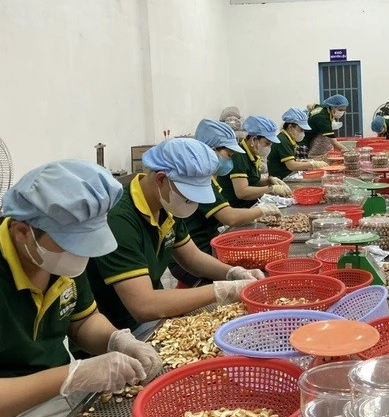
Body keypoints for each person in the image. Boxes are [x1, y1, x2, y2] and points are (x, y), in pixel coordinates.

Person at [0, 160, 161, 417]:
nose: (81, 255)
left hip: (59, 401)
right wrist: (72, 376)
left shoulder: (57, 259)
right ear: (22, 232)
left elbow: (82, 321)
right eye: (72, 244)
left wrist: (118, 341)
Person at [84, 139, 262, 335]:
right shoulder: (120, 219)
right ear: (161, 179)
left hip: (156, 315)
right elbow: (143, 305)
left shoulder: (164, 205)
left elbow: (192, 258)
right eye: (188, 196)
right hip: (118, 331)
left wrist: (234, 273)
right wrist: (221, 291)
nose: (192, 203)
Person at [166, 119, 283, 288]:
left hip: (201, 248)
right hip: (196, 253)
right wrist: (264, 210)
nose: (231, 160)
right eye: (228, 155)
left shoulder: (207, 179)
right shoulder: (196, 181)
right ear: (210, 150)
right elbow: (230, 216)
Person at [218, 116, 293, 208]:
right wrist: (271, 189)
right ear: (254, 139)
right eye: (267, 143)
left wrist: (268, 181)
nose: (269, 148)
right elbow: (242, 192)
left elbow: (251, 180)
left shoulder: (252, 155)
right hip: (236, 208)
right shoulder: (238, 156)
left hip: (249, 205)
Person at [268, 108, 329, 179]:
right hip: (282, 178)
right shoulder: (283, 140)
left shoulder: (288, 139)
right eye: (301, 129)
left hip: (287, 175)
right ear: (290, 127)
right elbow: (291, 165)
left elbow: (291, 160)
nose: (303, 133)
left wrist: (307, 161)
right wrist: (312, 164)